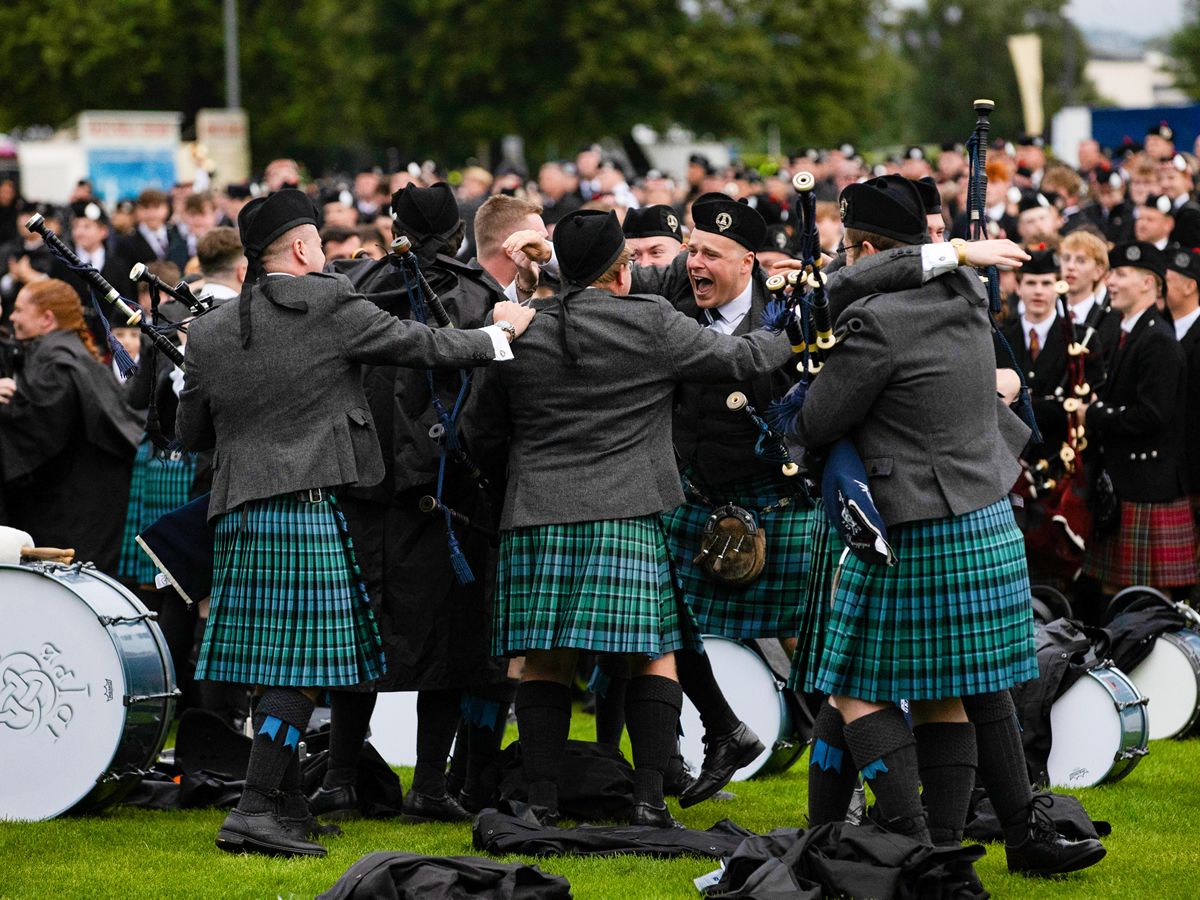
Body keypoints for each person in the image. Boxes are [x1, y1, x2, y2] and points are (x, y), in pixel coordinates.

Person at [176, 188, 534, 858]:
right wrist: (501, 331)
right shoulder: (331, 303)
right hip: (308, 504)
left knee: (271, 660)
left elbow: (190, 432)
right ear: (304, 246)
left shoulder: (213, 326)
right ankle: (253, 810)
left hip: (237, 509)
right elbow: (422, 345)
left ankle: (285, 804)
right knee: (298, 667)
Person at [780, 175, 1102, 880]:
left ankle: (919, 847)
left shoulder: (872, 322)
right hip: (984, 520)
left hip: (910, 529)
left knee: (856, 689)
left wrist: (802, 377)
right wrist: (950, 253)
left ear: (865, 247)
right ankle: (949, 855)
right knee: (944, 693)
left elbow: (816, 421)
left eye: (846, 245)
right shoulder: (963, 296)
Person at [464, 208, 797, 828]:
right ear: (621, 272)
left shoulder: (521, 330)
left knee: (543, 659)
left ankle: (540, 803)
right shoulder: (652, 323)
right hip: (629, 511)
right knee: (652, 654)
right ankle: (647, 802)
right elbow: (743, 360)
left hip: (536, 512)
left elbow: (480, 430)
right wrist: (795, 331)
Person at [313, 183, 517, 824]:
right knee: (447, 649)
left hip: (368, 492)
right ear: (455, 232)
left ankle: (344, 777)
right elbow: (492, 408)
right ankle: (427, 787)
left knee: (361, 640)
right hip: (447, 502)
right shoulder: (483, 297)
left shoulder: (354, 288)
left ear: (394, 223)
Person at [0, 279, 142, 571]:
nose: (11, 317)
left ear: (47, 318)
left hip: (71, 515)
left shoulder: (56, 367)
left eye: (18, 310)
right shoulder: (73, 357)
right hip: (94, 509)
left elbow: (30, 436)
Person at [1082, 242, 1196, 598]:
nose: (1110, 282)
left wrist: (1094, 413)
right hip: (1128, 483)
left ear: (1149, 283)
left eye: (1120, 274)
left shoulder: (1156, 340)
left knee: (1141, 599)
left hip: (1148, 487)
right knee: (1117, 595)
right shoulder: (1129, 332)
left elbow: (1152, 415)